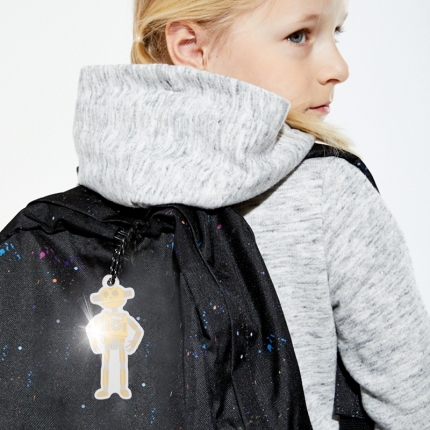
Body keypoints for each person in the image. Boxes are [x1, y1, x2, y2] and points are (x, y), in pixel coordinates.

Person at [1, 0, 430, 428]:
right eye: (298, 35)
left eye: (336, 33)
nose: (338, 68)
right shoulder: (327, 193)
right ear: (191, 47)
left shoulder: (90, 200)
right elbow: (413, 406)